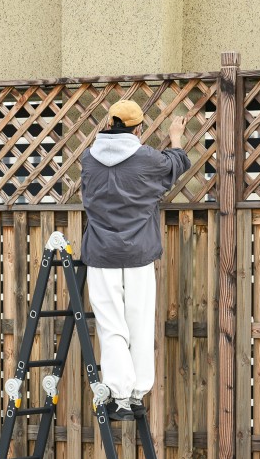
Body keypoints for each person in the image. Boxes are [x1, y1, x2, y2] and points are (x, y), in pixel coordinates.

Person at [81, 99, 191, 421]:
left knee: (111, 326)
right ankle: (138, 393)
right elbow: (176, 163)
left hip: (101, 255)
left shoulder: (88, 159)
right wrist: (175, 137)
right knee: (139, 323)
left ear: (110, 123)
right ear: (139, 128)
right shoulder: (146, 159)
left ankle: (119, 398)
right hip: (139, 255)